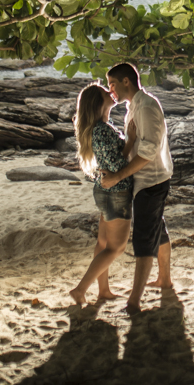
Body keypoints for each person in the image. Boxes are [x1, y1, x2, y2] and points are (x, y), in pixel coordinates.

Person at [99, 62, 173, 313]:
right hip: (144, 180)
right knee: (157, 229)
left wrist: (118, 177)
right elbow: (134, 147)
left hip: (151, 181)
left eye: (112, 84)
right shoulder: (133, 107)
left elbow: (149, 152)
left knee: (143, 240)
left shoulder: (147, 107)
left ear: (126, 82)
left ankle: (134, 301)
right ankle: (164, 279)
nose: (111, 91)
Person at [69, 83, 137, 306]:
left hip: (104, 191)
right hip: (115, 193)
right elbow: (119, 165)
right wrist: (132, 140)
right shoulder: (102, 130)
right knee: (116, 247)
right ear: (98, 103)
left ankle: (103, 291)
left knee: (103, 243)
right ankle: (80, 290)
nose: (111, 93)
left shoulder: (99, 128)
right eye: (105, 92)